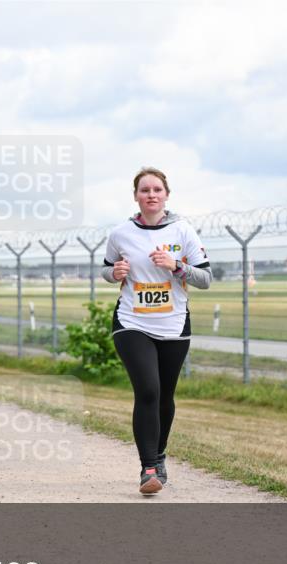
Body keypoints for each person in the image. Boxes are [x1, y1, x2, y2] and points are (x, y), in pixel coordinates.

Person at [102, 168, 212, 495]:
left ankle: (160, 454)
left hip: (174, 324)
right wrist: (114, 272)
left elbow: (206, 279)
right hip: (132, 322)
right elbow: (107, 269)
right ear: (136, 195)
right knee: (148, 389)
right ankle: (148, 467)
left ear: (166, 194)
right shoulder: (121, 233)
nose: (151, 194)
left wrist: (176, 266)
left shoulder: (183, 231)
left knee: (165, 395)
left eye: (157, 189)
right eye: (145, 189)